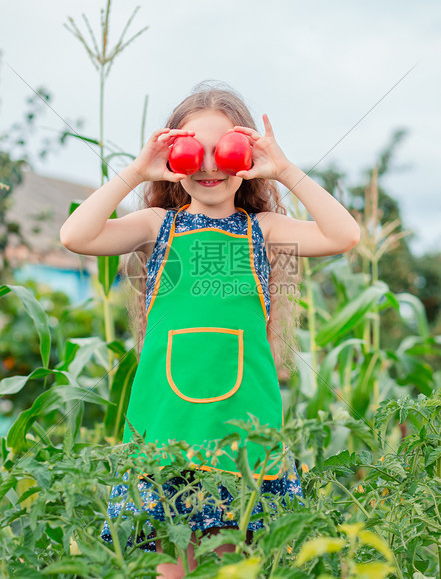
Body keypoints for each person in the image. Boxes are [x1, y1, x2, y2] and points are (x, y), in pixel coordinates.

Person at [60, 81, 361, 577]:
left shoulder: (261, 231)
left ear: (246, 158)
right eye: (192, 151)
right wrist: (136, 171)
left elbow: (344, 234)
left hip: (240, 434)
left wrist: (284, 169)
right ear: (173, 157)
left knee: (228, 565)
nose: (209, 166)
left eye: (225, 150)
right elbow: (76, 235)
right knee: (170, 566)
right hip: (166, 432)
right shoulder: (157, 225)